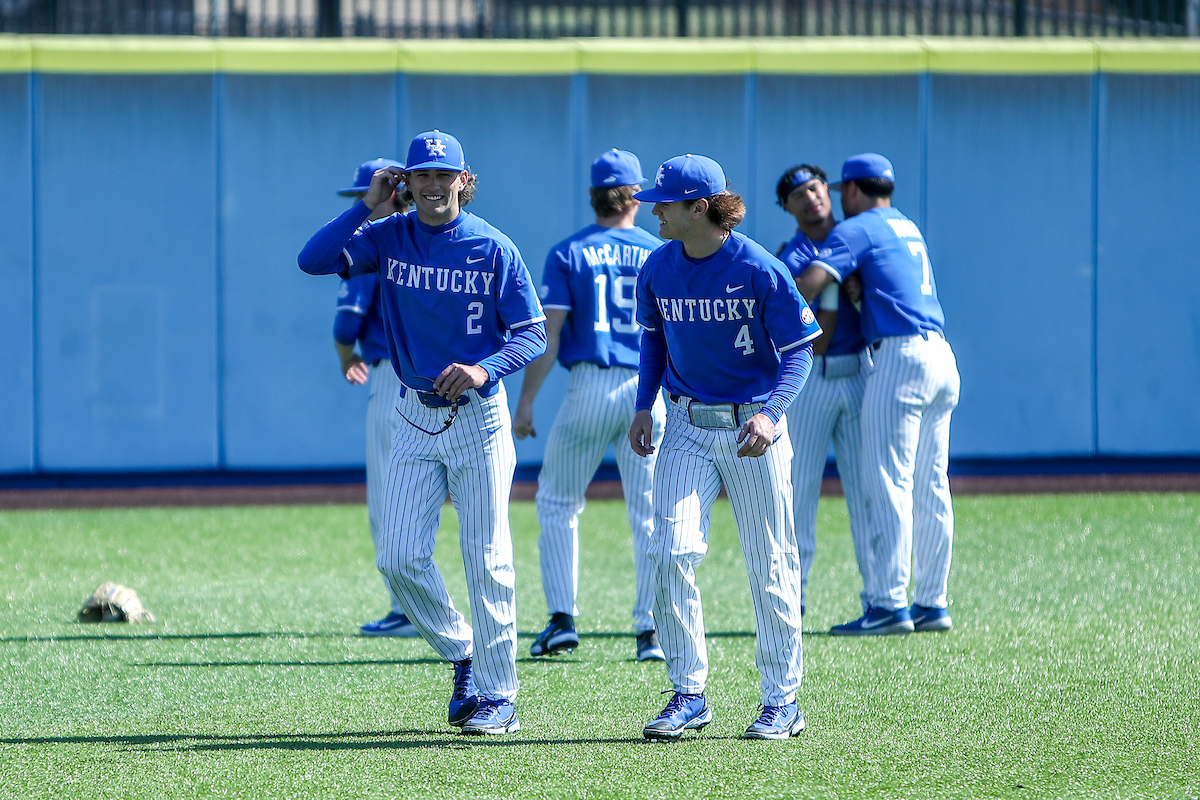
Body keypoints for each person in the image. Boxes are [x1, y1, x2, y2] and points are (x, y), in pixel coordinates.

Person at [299, 130, 547, 735]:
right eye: (422, 175)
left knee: (486, 558)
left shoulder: (493, 246)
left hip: (479, 418)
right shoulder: (388, 235)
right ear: (405, 182)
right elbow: (312, 260)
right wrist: (367, 206)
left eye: (444, 175)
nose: (434, 185)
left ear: (465, 181)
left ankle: (499, 695)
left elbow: (532, 334)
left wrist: (486, 368)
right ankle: (465, 650)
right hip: (413, 413)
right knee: (399, 557)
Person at [627, 154, 821, 741]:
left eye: (665, 202)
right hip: (684, 425)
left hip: (752, 432)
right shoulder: (658, 266)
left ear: (699, 208)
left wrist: (770, 413)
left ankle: (782, 700)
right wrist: (644, 404)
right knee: (670, 552)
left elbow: (799, 351)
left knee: (770, 563)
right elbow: (655, 342)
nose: (653, 210)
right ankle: (689, 693)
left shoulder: (759, 267)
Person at [796, 153, 960, 636]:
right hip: (941, 357)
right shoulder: (905, 225)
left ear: (851, 190)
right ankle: (932, 601)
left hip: (900, 358)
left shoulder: (858, 226)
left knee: (888, 481)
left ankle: (888, 603)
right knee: (931, 484)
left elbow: (810, 283)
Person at [512, 149, 667, 663]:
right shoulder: (659, 250)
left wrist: (527, 400)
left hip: (589, 386)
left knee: (558, 503)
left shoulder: (568, 252)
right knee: (650, 514)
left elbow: (548, 336)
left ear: (594, 195)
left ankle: (562, 621)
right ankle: (651, 630)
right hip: (649, 390)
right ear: (635, 195)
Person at [774, 164, 871, 617]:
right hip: (810, 379)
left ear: (828, 191)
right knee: (798, 492)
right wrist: (836, 287)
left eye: (815, 188)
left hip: (862, 373)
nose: (811, 197)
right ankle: (794, 598)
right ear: (787, 207)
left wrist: (852, 291)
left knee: (869, 489)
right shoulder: (792, 256)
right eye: (799, 194)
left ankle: (882, 598)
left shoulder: (857, 236)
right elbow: (815, 336)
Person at [330, 158, 420, 638]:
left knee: (388, 500)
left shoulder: (373, 248)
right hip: (437, 386)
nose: (358, 208)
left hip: (390, 382)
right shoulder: (424, 243)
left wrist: (345, 356)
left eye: (364, 197)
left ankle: (405, 610)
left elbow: (346, 325)